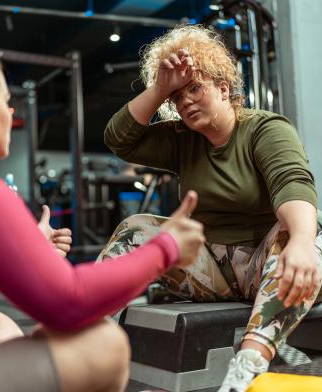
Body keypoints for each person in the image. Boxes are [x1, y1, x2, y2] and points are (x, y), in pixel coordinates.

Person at [0, 33, 205, 392]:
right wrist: (165, 248)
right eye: (7, 102)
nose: (11, 112)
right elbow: (67, 301)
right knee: (99, 343)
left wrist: (29, 248)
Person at [102, 24, 322, 392]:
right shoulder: (183, 141)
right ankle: (88, 337)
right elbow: (118, 139)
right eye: (177, 97)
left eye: (194, 88)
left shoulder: (264, 129)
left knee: (306, 235)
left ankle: (247, 366)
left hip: (266, 266)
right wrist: (159, 88)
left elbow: (293, 185)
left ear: (223, 88)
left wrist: (301, 241)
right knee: (137, 227)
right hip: (212, 273)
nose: (185, 101)